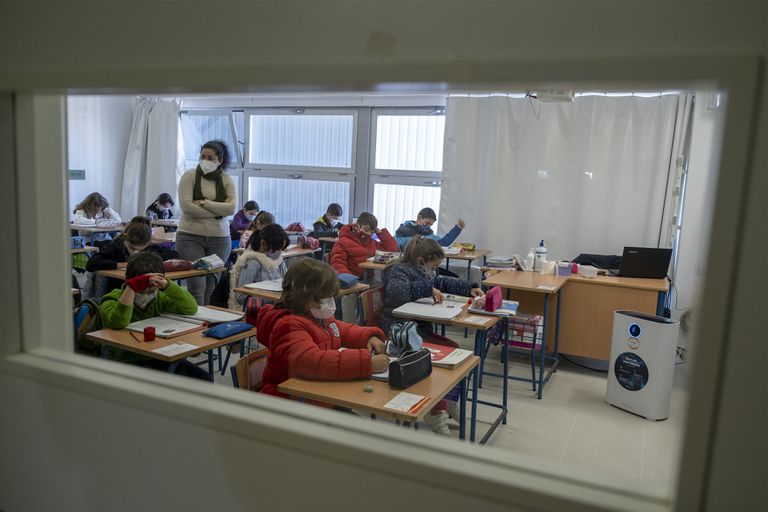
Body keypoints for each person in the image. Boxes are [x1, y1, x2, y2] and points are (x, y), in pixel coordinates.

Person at [381, 236, 484, 435]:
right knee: (442, 357)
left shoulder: (424, 272)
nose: (435, 271)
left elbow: (441, 282)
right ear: (421, 261)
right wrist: (427, 289)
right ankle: (435, 411)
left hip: (417, 330)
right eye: (434, 266)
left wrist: (469, 287)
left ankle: (449, 401)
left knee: (454, 349)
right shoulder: (398, 270)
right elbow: (398, 294)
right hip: (399, 332)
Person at [255, 258, 389, 398]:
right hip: (287, 401)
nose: (331, 303)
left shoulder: (319, 316)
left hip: (314, 393)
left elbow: (342, 331)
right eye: (326, 298)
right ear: (305, 298)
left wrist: (368, 338)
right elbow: (311, 361)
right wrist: (366, 363)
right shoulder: (287, 327)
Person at [99, 252, 211, 381]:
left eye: (152, 289)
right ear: (127, 280)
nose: (146, 293)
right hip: (126, 359)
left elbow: (190, 309)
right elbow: (119, 323)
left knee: (203, 379)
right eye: (141, 289)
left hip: (158, 355)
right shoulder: (111, 299)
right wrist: (131, 287)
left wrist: (168, 285)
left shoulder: (160, 298)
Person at [175, 140, 237, 305]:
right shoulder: (189, 176)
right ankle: (196, 319)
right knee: (197, 286)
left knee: (212, 288)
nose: (205, 160)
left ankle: (208, 318)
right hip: (190, 236)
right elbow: (187, 208)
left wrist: (204, 203)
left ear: (220, 160)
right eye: (202, 156)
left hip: (220, 239)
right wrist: (219, 211)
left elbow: (231, 209)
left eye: (210, 158)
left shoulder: (226, 179)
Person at [86, 216, 179, 293]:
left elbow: (174, 255)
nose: (137, 251)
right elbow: (91, 263)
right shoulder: (117, 246)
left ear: (148, 242)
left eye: (142, 249)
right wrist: (120, 264)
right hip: (120, 288)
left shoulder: (152, 247)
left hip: (148, 287)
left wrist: (149, 260)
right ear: (127, 240)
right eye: (133, 248)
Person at [229, 223, 290, 309]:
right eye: (277, 249)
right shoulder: (252, 263)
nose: (280, 252)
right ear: (263, 244)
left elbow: (286, 285)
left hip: (274, 308)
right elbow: (240, 296)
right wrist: (269, 297)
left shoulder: (279, 262)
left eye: (281, 249)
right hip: (258, 311)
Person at [329, 211, 398, 287]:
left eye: (372, 232)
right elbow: (338, 263)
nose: (368, 234)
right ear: (357, 226)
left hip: (369, 279)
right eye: (366, 230)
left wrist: (379, 232)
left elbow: (392, 250)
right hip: (352, 281)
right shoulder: (343, 242)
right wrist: (350, 281)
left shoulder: (372, 242)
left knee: (387, 287)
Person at [394, 207, 465, 251]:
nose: (428, 226)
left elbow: (443, 242)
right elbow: (394, 247)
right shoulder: (402, 231)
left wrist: (458, 228)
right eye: (427, 223)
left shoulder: (429, 234)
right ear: (419, 218)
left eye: (430, 224)